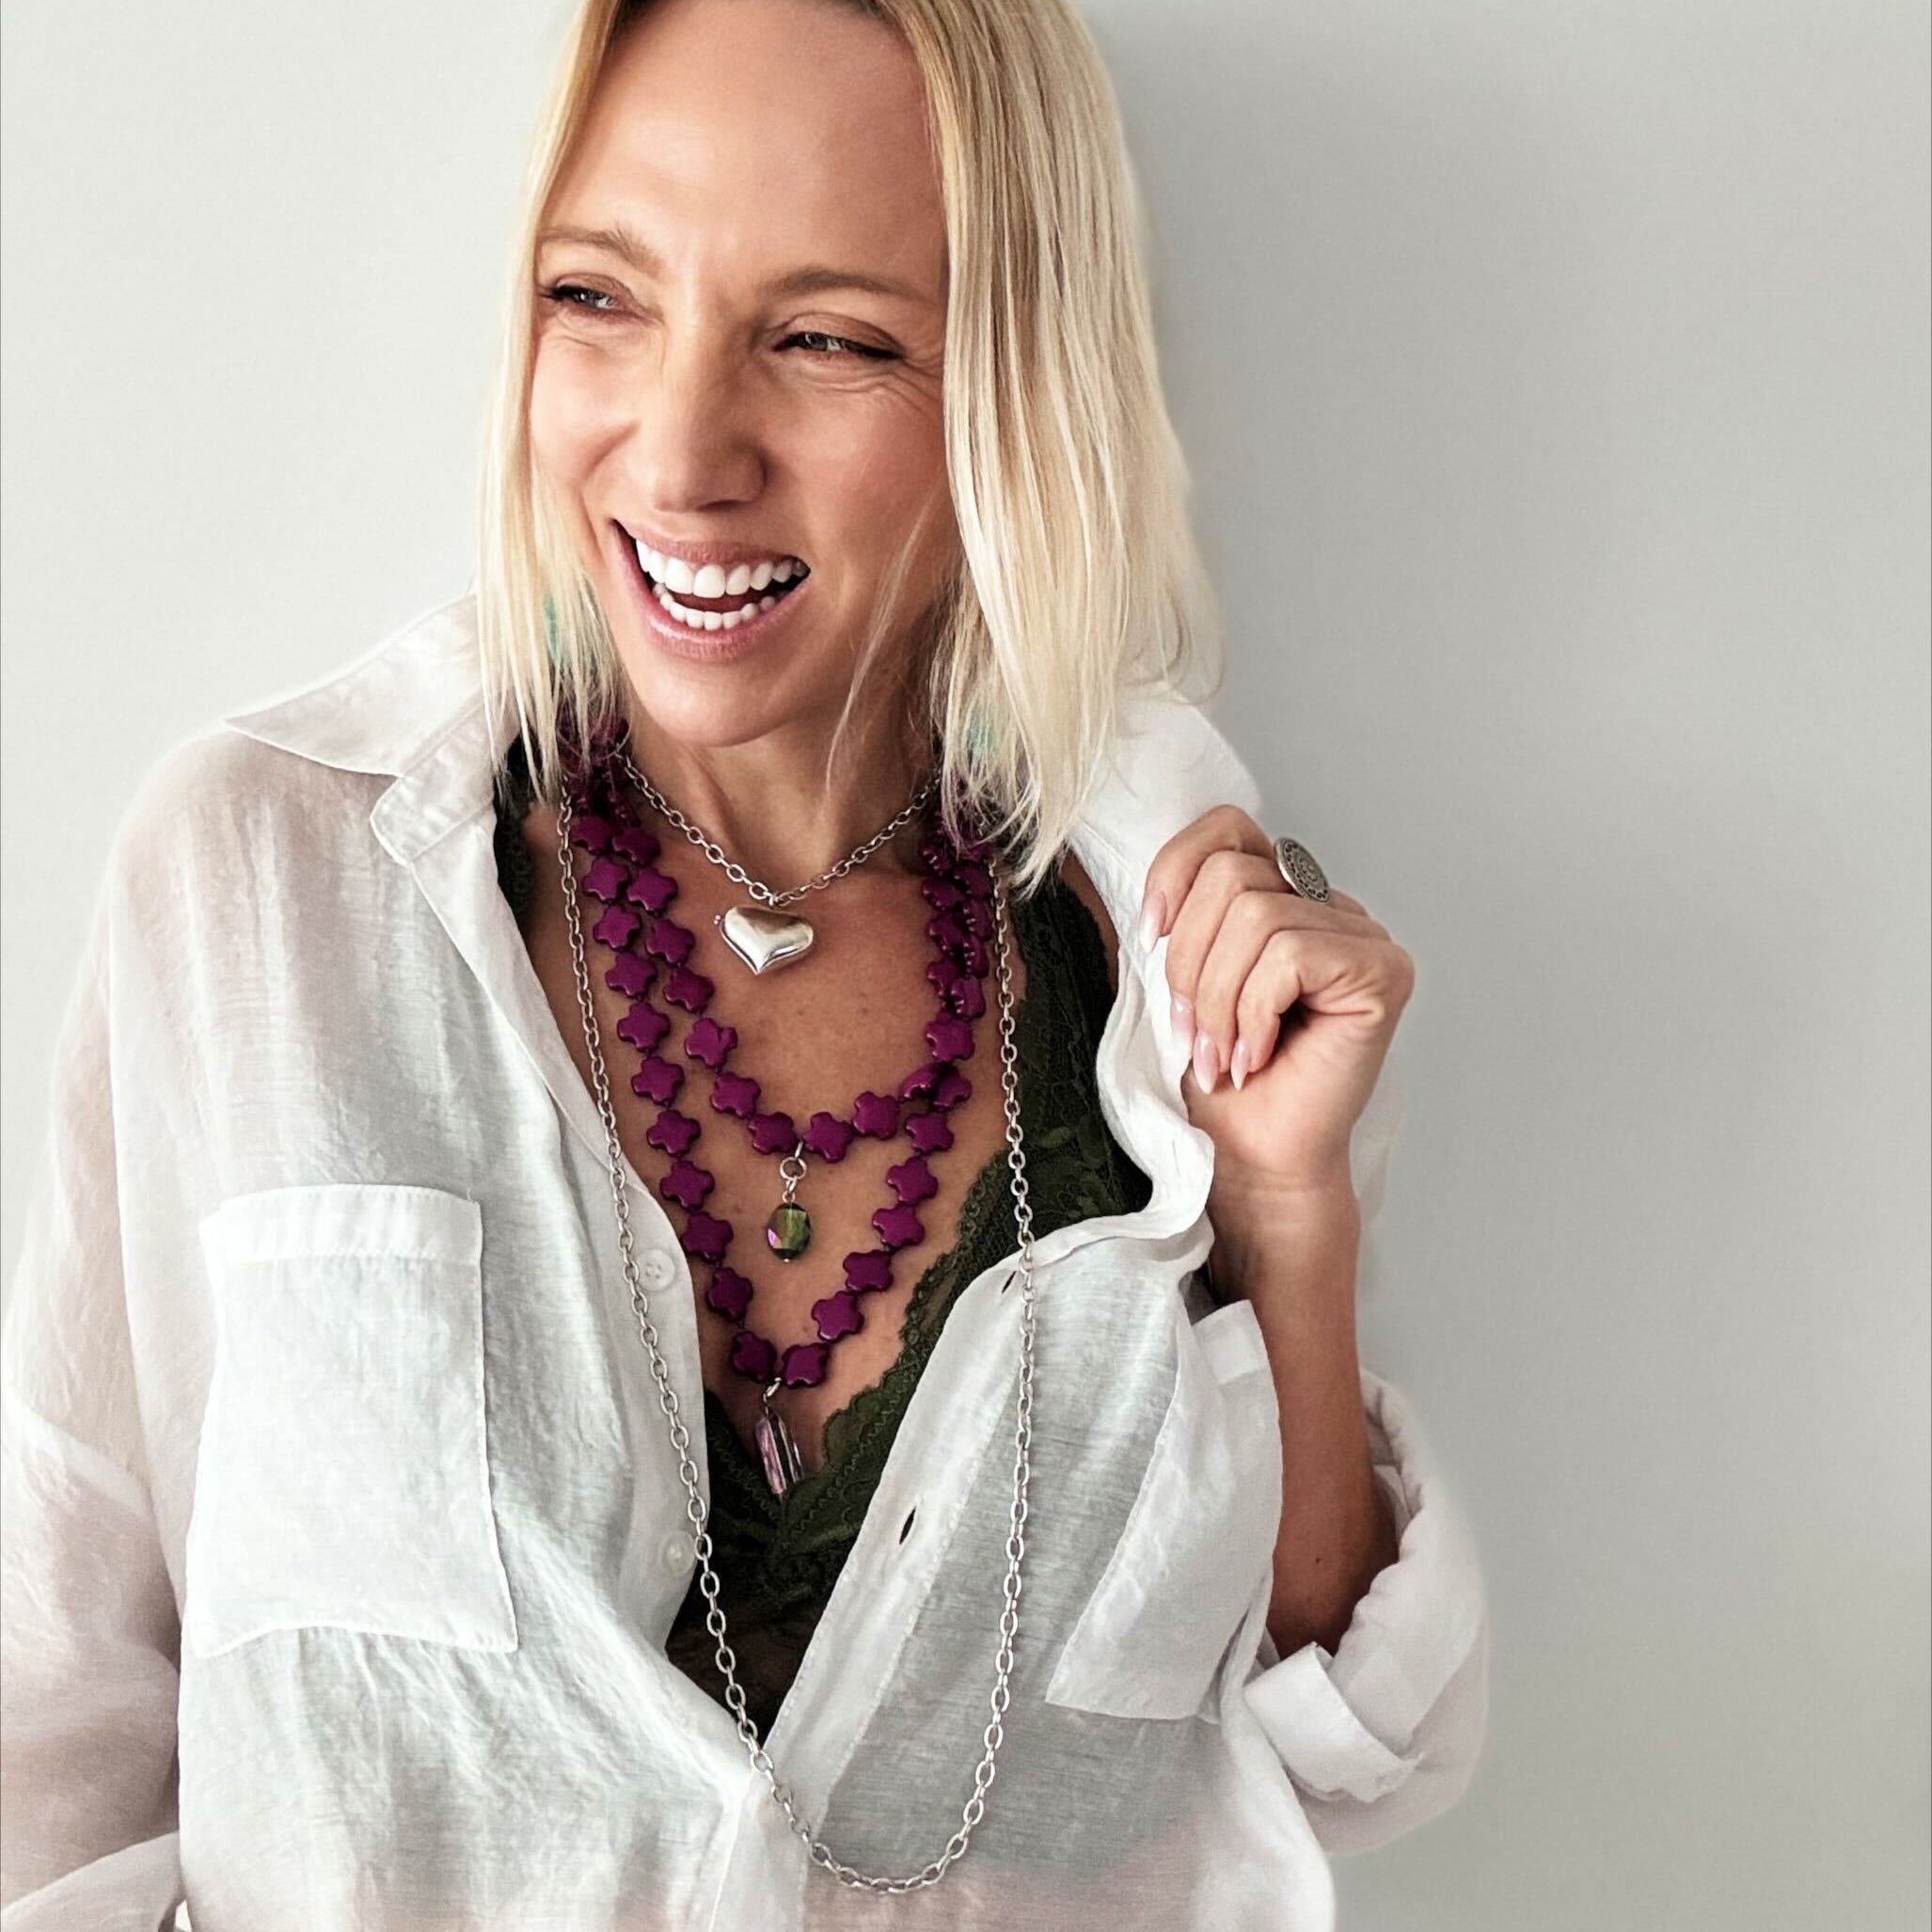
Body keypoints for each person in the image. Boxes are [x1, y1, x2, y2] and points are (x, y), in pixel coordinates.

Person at [0, 0, 1490, 1924]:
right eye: (597, 297)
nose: (681, 453)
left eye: (827, 338)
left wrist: (1289, 1223)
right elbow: (57, 1724)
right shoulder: (261, 880)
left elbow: (1337, 1753)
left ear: (1010, 387)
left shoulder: (1172, 974)